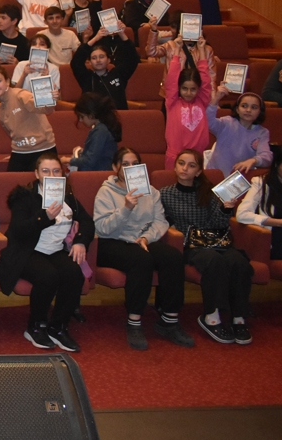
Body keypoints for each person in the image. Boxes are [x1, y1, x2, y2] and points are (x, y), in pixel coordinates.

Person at [92, 147, 193, 350]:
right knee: (141, 260)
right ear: (115, 167)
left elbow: (160, 222)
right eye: (125, 164)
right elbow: (102, 228)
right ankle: (134, 320)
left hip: (142, 241)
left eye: (134, 164)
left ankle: (169, 319)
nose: (130, 168)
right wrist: (126, 208)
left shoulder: (151, 191)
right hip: (112, 242)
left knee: (173, 257)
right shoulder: (106, 192)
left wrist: (146, 238)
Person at [0, 153, 91, 352]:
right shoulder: (24, 195)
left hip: (55, 250)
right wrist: (44, 217)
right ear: (37, 174)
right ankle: (36, 325)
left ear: (63, 174)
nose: (51, 174)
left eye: (56, 170)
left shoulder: (68, 196)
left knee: (74, 273)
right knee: (48, 276)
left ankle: (58, 326)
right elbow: (18, 231)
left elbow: (88, 222)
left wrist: (80, 242)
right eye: (45, 171)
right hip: (27, 251)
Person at [160, 150, 254, 345]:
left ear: (198, 171)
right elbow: (163, 221)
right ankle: (212, 316)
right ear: (175, 166)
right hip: (190, 245)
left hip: (216, 240)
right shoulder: (165, 193)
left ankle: (238, 317)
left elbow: (220, 223)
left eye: (191, 165)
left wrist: (226, 209)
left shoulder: (209, 192)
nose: (185, 168)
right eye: (181, 163)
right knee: (214, 260)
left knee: (239, 262)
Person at [0, 65, 57, 171]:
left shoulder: (21, 95)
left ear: (7, 82)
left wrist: (51, 99)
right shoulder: (1, 109)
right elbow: (12, 134)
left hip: (43, 150)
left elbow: (45, 109)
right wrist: (16, 156)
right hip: (20, 152)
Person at [162, 39, 211, 168]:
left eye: (193, 89)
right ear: (179, 88)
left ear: (198, 90)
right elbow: (172, 79)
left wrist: (201, 50)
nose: (188, 93)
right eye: (184, 88)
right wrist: (177, 51)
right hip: (175, 156)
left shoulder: (202, 100)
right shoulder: (172, 102)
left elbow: (205, 79)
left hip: (197, 156)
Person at [69, 22, 140, 109]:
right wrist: (95, 38)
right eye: (94, 58)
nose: (98, 60)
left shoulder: (118, 74)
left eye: (102, 57)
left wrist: (122, 34)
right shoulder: (86, 77)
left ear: (108, 60)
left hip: (116, 118)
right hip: (93, 118)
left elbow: (133, 59)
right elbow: (76, 62)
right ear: (90, 62)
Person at [207, 89, 271, 177]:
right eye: (244, 106)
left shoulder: (262, 133)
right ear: (237, 109)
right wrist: (216, 99)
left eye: (254, 107)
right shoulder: (227, 123)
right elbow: (208, 122)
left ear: (260, 112)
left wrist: (253, 160)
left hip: (239, 180)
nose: (248, 110)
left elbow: (267, 157)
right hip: (216, 175)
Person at [235, 158, 282, 261]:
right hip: (275, 241)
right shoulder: (261, 183)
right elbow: (242, 214)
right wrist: (278, 222)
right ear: (277, 165)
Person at [66, 93, 122, 172]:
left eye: (82, 116)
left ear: (91, 115)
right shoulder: (101, 128)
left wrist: (69, 160)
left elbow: (90, 161)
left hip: (97, 173)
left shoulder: (100, 131)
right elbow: (97, 152)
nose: (80, 120)